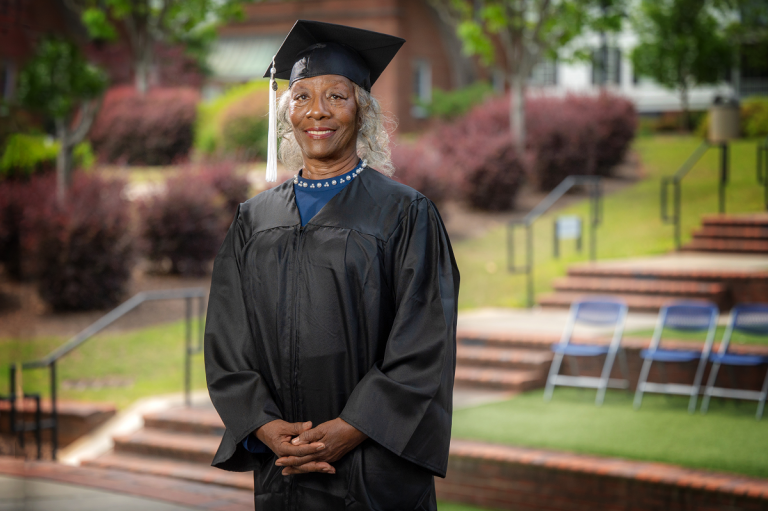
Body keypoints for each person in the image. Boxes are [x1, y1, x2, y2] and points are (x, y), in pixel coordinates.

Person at [204, 20, 459, 511]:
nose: (317, 111)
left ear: (362, 110)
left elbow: (424, 338)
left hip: (373, 469)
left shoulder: (405, 213)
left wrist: (352, 428)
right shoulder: (254, 220)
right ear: (287, 113)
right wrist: (263, 426)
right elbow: (226, 337)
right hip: (284, 473)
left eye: (336, 96)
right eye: (301, 97)